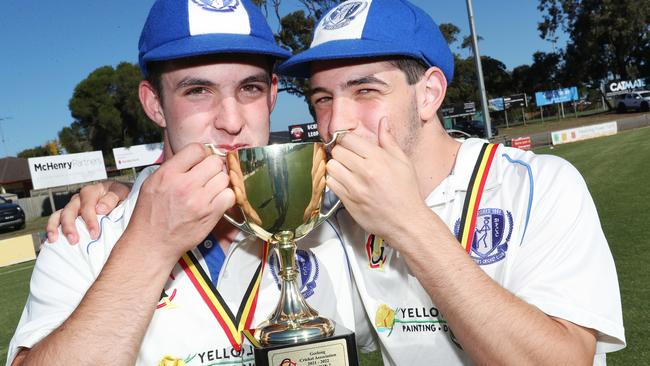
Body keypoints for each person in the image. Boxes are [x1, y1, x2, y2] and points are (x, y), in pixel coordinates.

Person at [45, 0, 626, 365]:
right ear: (153, 103)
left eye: (365, 90)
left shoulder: (539, 186)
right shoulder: (320, 208)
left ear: (429, 93)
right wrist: (128, 205)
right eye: (322, 97)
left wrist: (408, 224)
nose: (338, 120)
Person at [7, 1, 359, 365]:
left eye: (249, 88)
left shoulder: (330, 220)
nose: (231, 120)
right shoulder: (88, 235)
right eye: (198, 91)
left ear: (272, 93)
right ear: (154, 103)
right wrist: (148, 249)